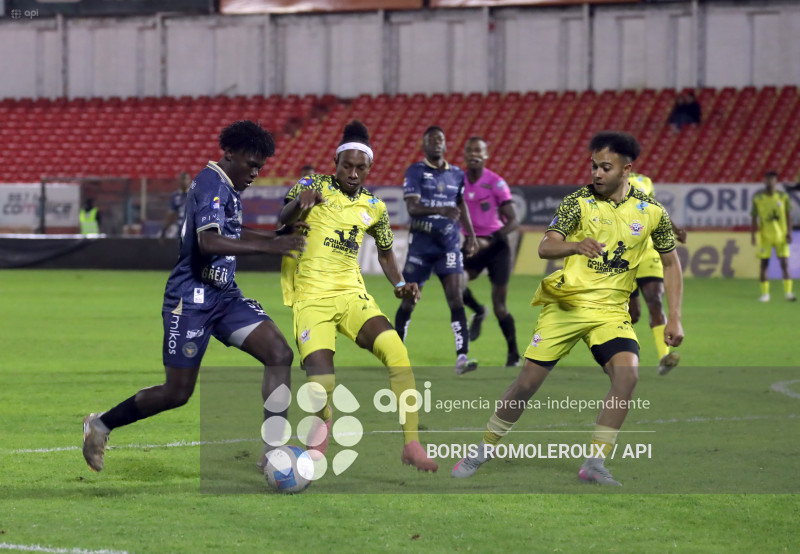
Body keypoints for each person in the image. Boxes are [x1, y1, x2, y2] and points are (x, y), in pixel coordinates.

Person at [452, 131, 684, 486]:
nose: (597, 173)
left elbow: (670, 263)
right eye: (594, 166)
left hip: (610, 312)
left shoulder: (652, 212)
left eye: (605, 167)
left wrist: (676, 317)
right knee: (527, 383)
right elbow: (546, 247)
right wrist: (575, 246)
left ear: (626, 170)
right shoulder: (578, 202)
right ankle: (482, 448)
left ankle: (595, 462)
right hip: (567, 305)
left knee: (627, 376)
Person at [82, 120, 307, 472]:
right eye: (251, 163)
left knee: (279, 353)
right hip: (191, 301)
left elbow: (232, 231)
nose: (255, 172)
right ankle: (101, 425)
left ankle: (273, 449)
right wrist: (271, 247)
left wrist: (275, 238)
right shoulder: (210, 183)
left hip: (225, 296)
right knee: (177, 394)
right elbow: (209, 241)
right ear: (229, 153)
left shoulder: (229, 188)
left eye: (260, 167)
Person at [279, 120, 438, 472]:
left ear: (369, 168)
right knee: (321, 384)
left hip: (352, 294)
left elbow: (384, 253)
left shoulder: (375, 207)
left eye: (360, 167)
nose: (352, 173)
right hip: (312, 297)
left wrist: (400, 284)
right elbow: (282, 219)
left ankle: (411, 443)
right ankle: (324, 421)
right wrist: (298, 206)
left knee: (397, 352)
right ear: (336, 163)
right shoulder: (312, 185)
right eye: (346, 166)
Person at [394, 126, 479, 374]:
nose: (436, 144)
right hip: (421, 246)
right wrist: (441, 211)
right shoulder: (416, 171)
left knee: (455, 297)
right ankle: (396, 355)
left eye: (440, 139)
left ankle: (462, 358)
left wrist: (471, 235)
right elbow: (412, 208)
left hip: (449, 245)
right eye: (431, 140)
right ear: (424, 145)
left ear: (445, 144)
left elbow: (460, 204)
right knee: (409, 301)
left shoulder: (456, 174)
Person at [458, 136, 521, 367]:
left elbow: (514, 221)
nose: (474, 154)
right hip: (471, 244)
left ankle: (513, 354)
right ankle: (478, 311)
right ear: (465, 155)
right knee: (456, 283)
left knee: (500, 306)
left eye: (479, 150)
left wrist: (490, 240)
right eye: (470, 150)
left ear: (486, 156)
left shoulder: (495, 182)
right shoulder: (458, 182)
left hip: (496, 247)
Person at [628, 172, 688, 375]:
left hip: (647, 251)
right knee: (632, 314)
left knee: (654, 299)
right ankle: (619, 351)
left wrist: (676, 229)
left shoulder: (645, 182)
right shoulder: (608, 180)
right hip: (622, 254)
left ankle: (664, 357)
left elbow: (654, 209)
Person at [751, 170, 795, 302]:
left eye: (772, 179)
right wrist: (753, 235)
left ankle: (788, 293)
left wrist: (789, 232)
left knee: (784, 264)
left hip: (781, 235)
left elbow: (788, 216)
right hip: (765, 236)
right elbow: (754, 217)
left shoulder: (783, 197)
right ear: (764, 180)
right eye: (768, 179)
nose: (770, 182)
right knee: (764, 264)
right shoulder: (758, 199)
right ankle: (765, 294)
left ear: (776, 181)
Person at [160, 171, 192, 239]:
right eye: (183, 179)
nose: (185, 181)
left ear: (189, 180)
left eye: (186, 179)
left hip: (192, 228)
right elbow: (171, 215)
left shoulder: (194, 195)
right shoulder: (175, 196)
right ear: (179, 181)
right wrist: (164, 230)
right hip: (180, 228)